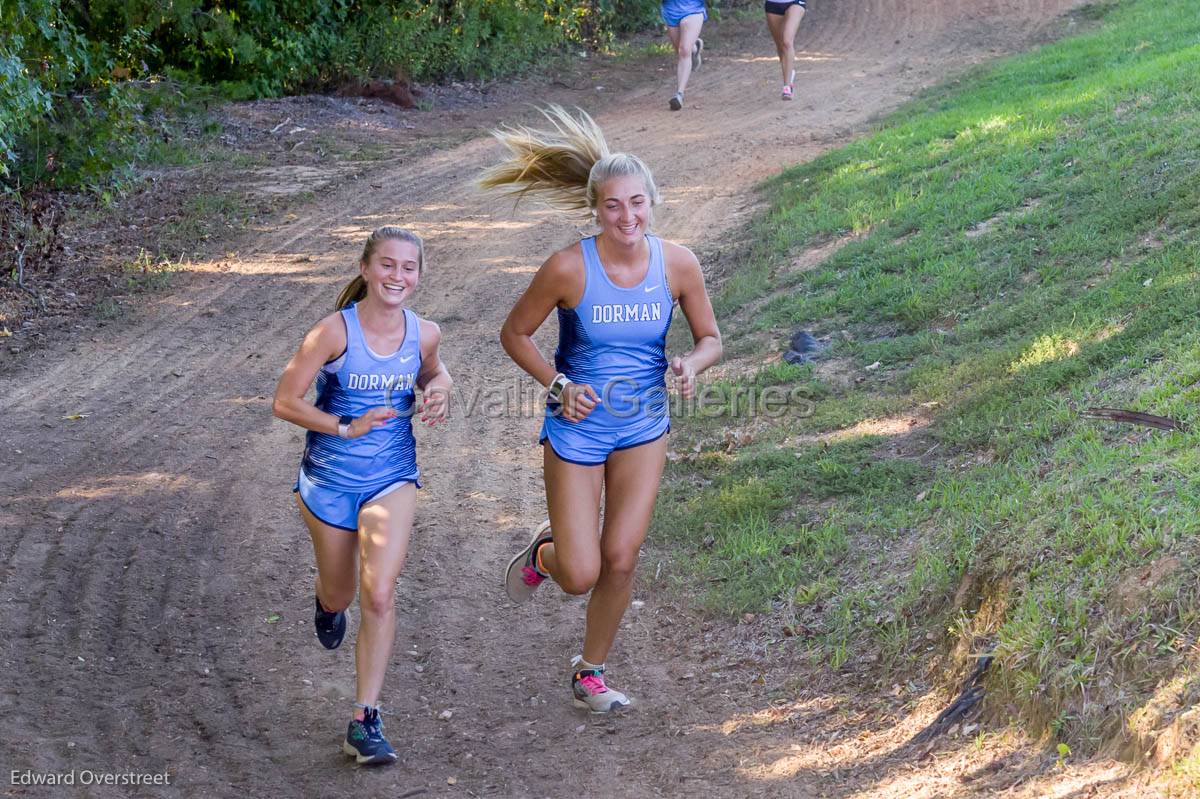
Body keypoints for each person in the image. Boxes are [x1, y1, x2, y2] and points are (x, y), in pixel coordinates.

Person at [480, 106, 722, 713]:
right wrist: (558, 385)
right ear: (596, 208)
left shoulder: (677, 264)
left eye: (637, 202)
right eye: (613, 205)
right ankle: (546, 552)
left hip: (643, 426)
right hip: (578, 427)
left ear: (653, 202)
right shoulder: (568, 267)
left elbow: (710, 339)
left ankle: (591, 671)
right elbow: (514, 334)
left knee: (620, 558)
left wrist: (691, 365)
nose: (627, 216)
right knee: (580, 572)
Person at [272, 226, 451, 764]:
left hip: (391, 476)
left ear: (419, 275)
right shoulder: (332, 332)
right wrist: (345, 426)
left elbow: (435, 373)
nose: (398, 276)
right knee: (343, 594)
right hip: (327, 482)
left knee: (379, 593)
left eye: (409, 267)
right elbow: (285, 401)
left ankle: (364, 719)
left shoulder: (424, 333)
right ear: (367, 269)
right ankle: (327, 605)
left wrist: (439, 391)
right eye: (388, 265)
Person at [661, 0, 707, 110]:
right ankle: (694, 48)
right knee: (681, 51)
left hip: (693, 8)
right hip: (670, 9)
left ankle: (679, 95)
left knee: (684, 51)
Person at [764, 0, 806, 100]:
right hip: (773, 4)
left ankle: (787, 87)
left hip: (795, 2)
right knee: (780, 46)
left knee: (787, 41)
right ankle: (790, 72)